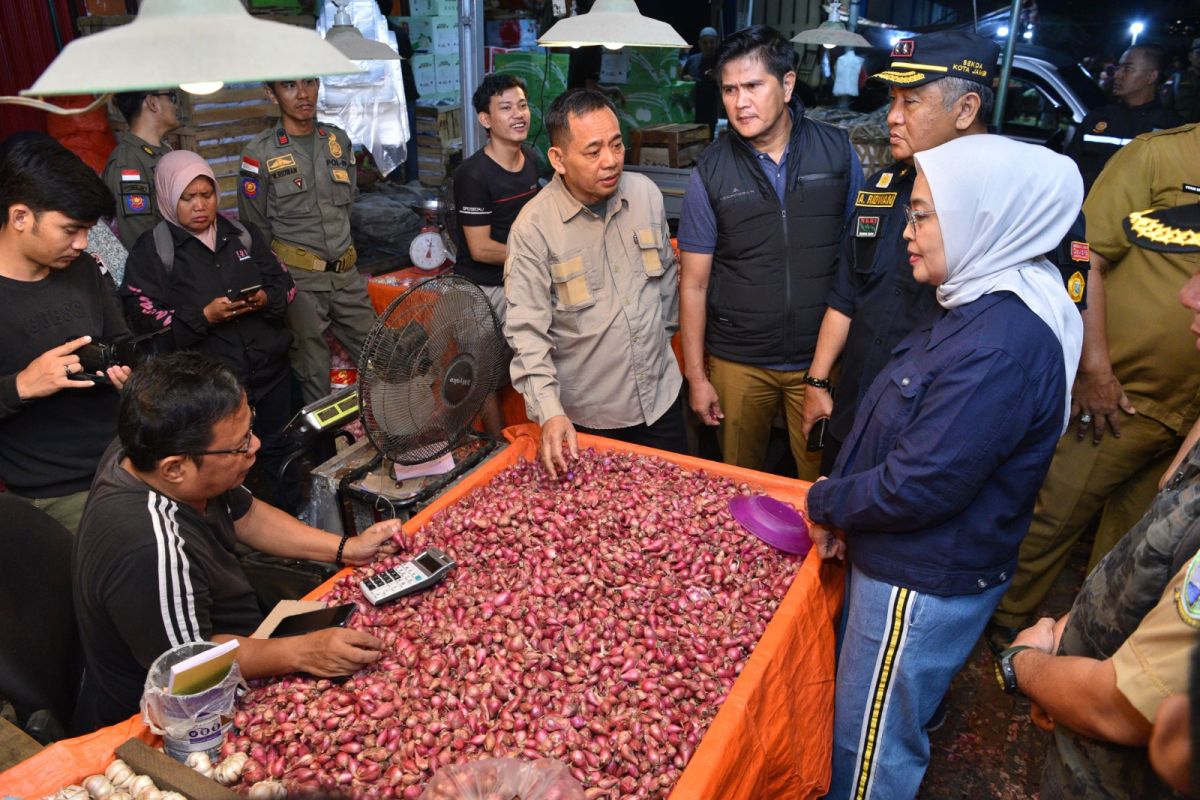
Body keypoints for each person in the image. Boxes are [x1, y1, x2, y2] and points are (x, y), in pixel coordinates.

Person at [804, 134, 1084, 799]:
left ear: (982, 217)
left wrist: (827, 502)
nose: (908, 227)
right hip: (909, 559)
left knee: (869, 748)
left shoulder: (1001, 345)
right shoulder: (979, 297)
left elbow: (920, 484)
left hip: (917, 579)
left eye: (925, 213)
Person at [72, 352, 404, 732]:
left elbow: (244, 514)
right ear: (175, 468)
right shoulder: (148, 547)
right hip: (176, 715)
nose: (256, 445)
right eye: (239, 445)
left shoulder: (149, 449)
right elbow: (191, 666)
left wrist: (346, 547)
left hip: (244, 633)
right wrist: (304, 652)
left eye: (250, 430)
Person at [989, 122, 1200, 649]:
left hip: (1186, 410)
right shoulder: (1159, 155)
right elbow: (1086, 257)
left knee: (1139, 548)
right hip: (1122, 396)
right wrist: (1095, 369)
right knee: (1052, 518)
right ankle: (1004, 624)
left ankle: (1087, 643)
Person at [678, 24, 862, 480]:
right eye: (729, 90)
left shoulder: (837, 152)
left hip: (819, 361)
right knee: (739, 481)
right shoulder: (711, 170)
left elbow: (859, 260)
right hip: (738, 362)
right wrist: (698, 378)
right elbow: (694, 283)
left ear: (787, 84)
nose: (740, 102)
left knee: (819, 485)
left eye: (753, 86)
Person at [504, 88, 683, 478]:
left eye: (617, 145)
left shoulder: (646, 195)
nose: (611, 161)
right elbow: (526, 334)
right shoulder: (534, 229)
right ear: (558, 159)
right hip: (590, 421)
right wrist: (550, 413)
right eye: (593, 151)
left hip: (663, 403)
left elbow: (667, 290)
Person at [120, 150, 296, 509]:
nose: (200, 205)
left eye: (207, 194)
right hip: (211, 395)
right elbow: (144, 321)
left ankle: (291, 531)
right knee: (226, 472)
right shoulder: (153, 251)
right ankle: (241, 543)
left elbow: (286, 284)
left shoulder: (240, 234)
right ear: (169, 198)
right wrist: (203, 316)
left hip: (271, 376)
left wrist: (264, 299)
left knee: (282, 454)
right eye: (188, 198)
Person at [0, 134, 131, 533]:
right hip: (54, 493)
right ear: (21, 217)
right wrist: (22, 385)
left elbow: (121, 341)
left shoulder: (84, 269)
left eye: (88, 229)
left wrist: (126, 372)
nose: (83, 243)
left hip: (124, 461)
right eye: (71, 229)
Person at [239, 78, 376, 407]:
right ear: (271, 94)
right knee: (313, 373)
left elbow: (347, 205)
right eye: (288, 86)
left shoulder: (337, 141)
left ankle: (395, 436)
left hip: (346, 275)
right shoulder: (259, 153)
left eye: (310, 83)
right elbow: (254, 227)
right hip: (300, 281)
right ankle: (325, 452)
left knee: (382, 355)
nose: (303, 94)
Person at [452, 74, 540, 437]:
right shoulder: (472, 174)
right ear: (485, 120)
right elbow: (481, 248)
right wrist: (536, 258)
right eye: (505, 108)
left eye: (522, 105)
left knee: (535, 362)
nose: (518, 114)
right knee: (482, 375)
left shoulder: (533, 160)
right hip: (482, 289)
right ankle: (494, 447)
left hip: (522, 279)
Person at [1067, 44, 1181, 191]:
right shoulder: (1097, 118)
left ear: (1151, 76)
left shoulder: (1171, 128)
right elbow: (1070, 169)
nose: (1117, 75)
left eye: (1127, 69)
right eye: (1118, 68)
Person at [101, 89, 180, 249]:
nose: (176, 106)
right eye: (172, 98)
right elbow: (140, 239)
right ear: (152, 103)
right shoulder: (128, 162)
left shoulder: (164, 150)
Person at [682, 27, 722, 133]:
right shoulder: (692, 60)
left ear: (717, 42)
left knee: (707, 145)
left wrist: (716, 77)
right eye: (705, 43)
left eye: (711, 42)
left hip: (710, 113)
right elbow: (682, 79)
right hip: (689, 111)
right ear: (700, 43)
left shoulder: (721, 61)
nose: (709, 46)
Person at [1172, 39, 1200, 124]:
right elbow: (1164, 106)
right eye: (1199, 53)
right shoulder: (1177, 78)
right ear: (1190, 56)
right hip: (1179, 130)